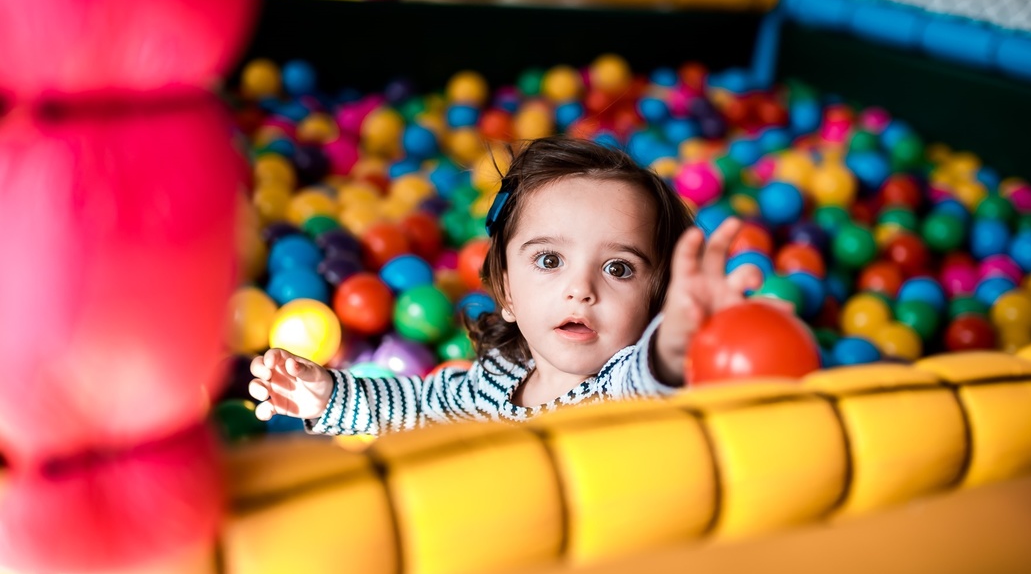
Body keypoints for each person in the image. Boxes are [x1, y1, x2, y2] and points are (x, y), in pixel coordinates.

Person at [249, 138, 765, 435]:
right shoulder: (493, 382)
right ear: (507, 293)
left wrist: (679, 335)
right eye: (549, 259)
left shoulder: (620, 394)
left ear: (656, 297)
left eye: (619, 269)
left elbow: (655, 375)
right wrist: (329, 396)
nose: (580, 289)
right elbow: (416, 408)